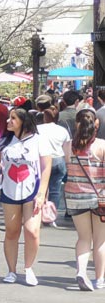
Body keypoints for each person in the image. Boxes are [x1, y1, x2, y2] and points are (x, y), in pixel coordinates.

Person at [0, 108, 50, 286]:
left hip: (33, 190)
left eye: (13, 118)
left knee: (31, 231)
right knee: (12, 231)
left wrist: (41, 193)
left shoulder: (38, 140)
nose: (8, 120)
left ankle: (28, 268)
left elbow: (46, 167)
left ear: (23, 121)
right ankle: (11, 270)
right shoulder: (5, 141)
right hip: (9, 190)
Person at [64, 109, 105, 291]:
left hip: (74, 196)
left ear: (76, 124)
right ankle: (99, 279)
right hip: (99, 198)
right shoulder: (102, 146)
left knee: (83, 238)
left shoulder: (67, 146)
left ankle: (81, 271)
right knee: (100, 241)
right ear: (95, 123)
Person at [34, 108, 69, 226]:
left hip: (42, 160)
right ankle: (51, 216)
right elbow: (66, 148)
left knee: (41, 188)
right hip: (58, 159)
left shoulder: (38, 129)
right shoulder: (62, 130)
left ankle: (39, 213)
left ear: (44, 117)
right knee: (55, 190)